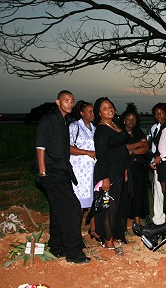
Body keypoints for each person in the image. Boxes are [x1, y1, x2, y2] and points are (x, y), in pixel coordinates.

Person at [35, 90, 90, 263]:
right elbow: (40, 146)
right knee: (73, 208)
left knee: (57, 210)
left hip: (63, 172)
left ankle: (57, 247)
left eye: (72, 101)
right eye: (66, 100)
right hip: (51, 172)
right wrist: (43, 171)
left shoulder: (65, 122)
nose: (69, 104)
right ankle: (74, 252)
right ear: (58, 102)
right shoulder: (49, 119)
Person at [92, 97, 130, 250]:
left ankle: (113, 236)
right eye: (104, 108)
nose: (109, 109)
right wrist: (105, 178)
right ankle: (108, 242)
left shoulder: (115, 125)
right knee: (109, 208)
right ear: (99, 113)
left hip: (119, 171)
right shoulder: (101, 130)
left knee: (116, 207)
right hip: (109, 173)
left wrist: (125, 169)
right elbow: (101, 156)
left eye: (110, 106)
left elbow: (119, 149)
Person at [68, 100, 98, 240]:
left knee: (93, 200)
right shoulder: (75, 127)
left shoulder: (95, 128)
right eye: (90, 111)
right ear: (82, 113)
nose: (92, 114)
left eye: (93, 111)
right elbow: (68, 148)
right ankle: (75, 232)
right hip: (79, 170)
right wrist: (88, 152)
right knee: (79, 202)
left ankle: (93, 229)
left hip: (93, 169)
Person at [120, 109, 150, 225]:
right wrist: (137, 146)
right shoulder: (120, 133)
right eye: (128, 119)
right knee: (126, 193)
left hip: (140, 167)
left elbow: (146, 148)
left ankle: (137, 220)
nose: (131, 121)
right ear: (124, 120)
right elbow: (122, 148)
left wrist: (132, 152)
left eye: (133, 119)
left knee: (139, 192)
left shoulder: (139, 132)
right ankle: (125, 220)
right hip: (126, 167)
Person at [149, 102, 166, 225]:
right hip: (158, 165)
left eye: (162, 113)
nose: (159, 115)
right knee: (158, 192)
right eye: (156, 113)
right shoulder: (157, 127)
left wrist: (160, 157)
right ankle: (158, 219)